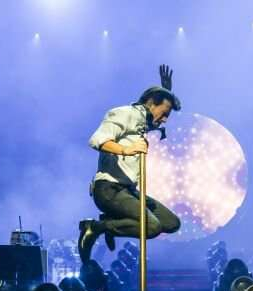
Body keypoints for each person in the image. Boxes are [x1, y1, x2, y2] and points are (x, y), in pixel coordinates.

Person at [77, 65, 182, 263]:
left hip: (128, 190)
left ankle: (111, 221)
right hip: (109, 189)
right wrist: (126, 149)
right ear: (151, 104)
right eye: (164, 113)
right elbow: (96, 140)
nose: (165, 120)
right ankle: (96, 227)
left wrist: (166, 91)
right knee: (152, 227)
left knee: (171, 223)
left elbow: (150, 117)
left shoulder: (144, 120)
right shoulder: (124, 113)